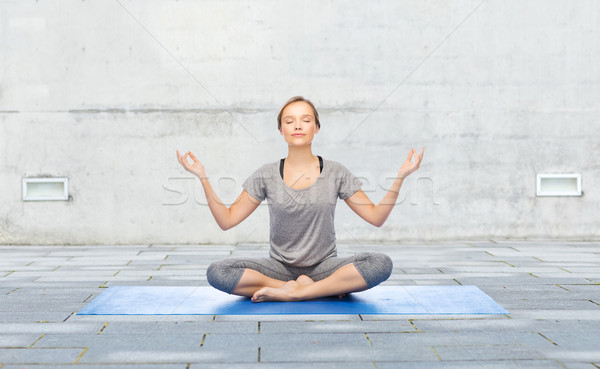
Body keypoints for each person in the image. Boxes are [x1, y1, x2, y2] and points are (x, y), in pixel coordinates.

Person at [176, 96, 424, 303]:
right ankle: (308, 288)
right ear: (281, 130)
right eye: (289, 121)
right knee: (217, 272)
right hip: (279, 270)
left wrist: (401, 177)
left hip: (325, 267)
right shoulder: (266, 174)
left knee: (380, 263)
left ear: (316, 128)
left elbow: (376, 217)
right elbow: (227, 220)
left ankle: (298, 292)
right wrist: (203, 177)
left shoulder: (336, 171)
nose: (298, 125)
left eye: (306, 120)